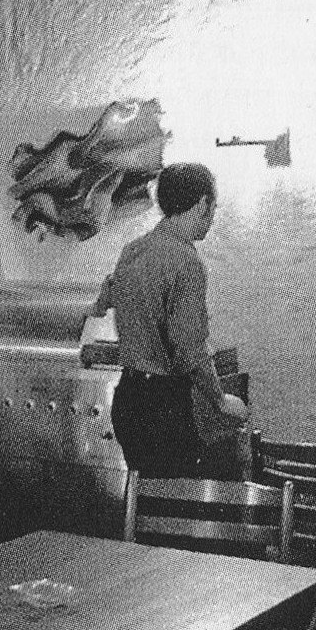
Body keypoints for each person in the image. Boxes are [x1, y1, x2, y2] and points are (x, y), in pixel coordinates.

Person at [93, 162, 246, 477]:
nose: (213, 217)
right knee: (176, 498)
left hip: (128, 399)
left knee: (144, 496)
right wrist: (220, 401)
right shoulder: (186, 261)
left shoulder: (132, 251)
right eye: (214, 207)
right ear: (202, 203)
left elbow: (105, 299)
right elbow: (188, 349)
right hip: (162, 407)